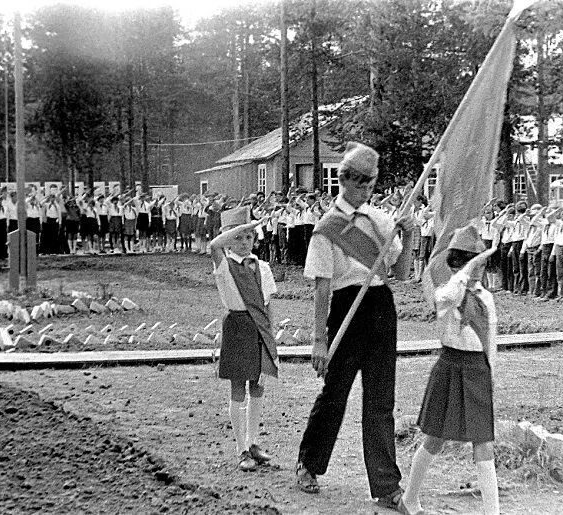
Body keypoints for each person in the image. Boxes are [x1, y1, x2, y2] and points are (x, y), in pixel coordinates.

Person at [296, 142, 415, 510]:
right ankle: (309, 463)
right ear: (343, 179)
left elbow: (402, 272)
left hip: (380, 307)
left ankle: (385, 486)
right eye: (360, 181)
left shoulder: (380, 220)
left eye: (371, 182)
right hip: (346, 307)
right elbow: (320, 288)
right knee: (335, 394)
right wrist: (319, 340)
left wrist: (410, 235)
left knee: (381, 402)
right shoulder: (325, 229)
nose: (366, 189)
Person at [400, 225, 499, 515]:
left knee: (483, 441)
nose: (478, 268)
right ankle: (410, 499)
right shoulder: (449, 293)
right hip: (450, 366)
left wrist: (492, 374)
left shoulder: (486, 298)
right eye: (472, 260)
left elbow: (491, 341)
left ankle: (492, 512)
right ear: (457, 262)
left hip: (477, 370)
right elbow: (443, 298)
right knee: (435, 438)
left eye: (481, 261)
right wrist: (465, 271)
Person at [209, 205, 278, 472]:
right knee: (238, 388)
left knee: (258, 386)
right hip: (237, 326)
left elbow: (269, 303)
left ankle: (253, 442)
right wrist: (236, 229)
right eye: (238, 237)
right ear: (228, 237)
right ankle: (241, 450)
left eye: (249, 236)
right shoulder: (224, 265)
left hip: (259, 329)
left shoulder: (262, 266)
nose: (244, 241)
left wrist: (271, 335)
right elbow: (214, 245)